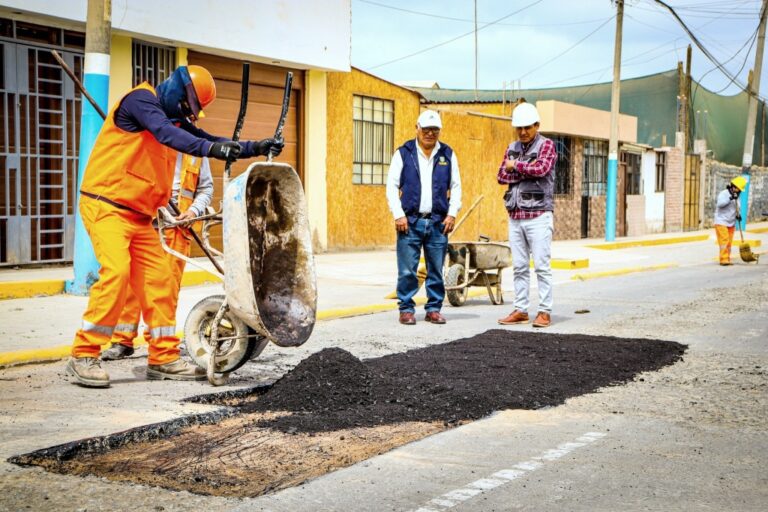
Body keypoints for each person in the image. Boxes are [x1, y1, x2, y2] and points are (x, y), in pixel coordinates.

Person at [67, 65, 283, 388]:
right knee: (116, 271)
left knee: (160, 283)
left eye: (190, 112)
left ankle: (162, 358)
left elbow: (206, 139)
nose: (187, 116)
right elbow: (170, 135)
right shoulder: (141, 101)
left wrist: (256, 147)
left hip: (140, 217)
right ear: (175, 87)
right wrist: (212, 147)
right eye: (186, 107)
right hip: (106, 204)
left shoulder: (172, 120)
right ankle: (84, 353)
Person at [101, 152, 213, 362]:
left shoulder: (196, 153)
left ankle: (159, 344)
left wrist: (193, 211)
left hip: (176, 229)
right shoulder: (148, 142)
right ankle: (122, 341)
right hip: (143, 224)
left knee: (166, 290)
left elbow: (206, 188)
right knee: (130, 288)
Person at [385, 109, 462, 325]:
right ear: (417, 128)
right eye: (426, 129)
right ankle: (406, 309)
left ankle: (434, 308)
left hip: (438, 222)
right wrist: (398, 214)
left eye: (434, 130)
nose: (430, 134)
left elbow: (456, 187)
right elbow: (391, 186)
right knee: (407, 270)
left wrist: (452, 214)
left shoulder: (447, 154)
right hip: (409, 221)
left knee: (436, 269)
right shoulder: (404, 153)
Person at [496, 102, 557, 328]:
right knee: (520, 266)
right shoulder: (512, 146)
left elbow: (541, 170)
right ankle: (521, 309)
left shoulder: (547, 145)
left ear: (537, 125)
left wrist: (516, 166)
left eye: (527, 127)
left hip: (539, 215)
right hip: (516, 216)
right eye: (519, 128)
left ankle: (544, 311)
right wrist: (522, 168)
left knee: (541, 265)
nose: (522, 132)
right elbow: (501, 175)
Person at [714, 176, 747, 266]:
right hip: (721, 221)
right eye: (737, 188)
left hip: (731, 223)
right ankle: (723, 259)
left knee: (729, 242)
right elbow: (720, 205)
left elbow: (737, 207)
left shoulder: (737, 197)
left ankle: (727, 258)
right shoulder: (724, 194)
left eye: (739, 190)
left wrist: (738, 215)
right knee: (724, 241)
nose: (738, 191)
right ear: (733, 186)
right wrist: (730, 198)